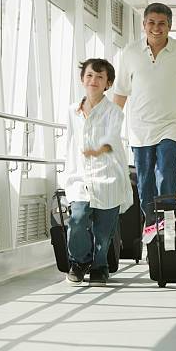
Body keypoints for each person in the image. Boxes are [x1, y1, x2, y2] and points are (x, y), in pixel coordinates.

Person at [113, 2, 176, 226]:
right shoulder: (130, 53)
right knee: (145, 182)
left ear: (170, 26)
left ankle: (170, 220)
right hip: (139, 131)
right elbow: (121, 92)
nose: (156, 27)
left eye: (162, 23)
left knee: (165, 170)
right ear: (144, 24)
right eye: (151, 22)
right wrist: (110, 127)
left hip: (170, 127)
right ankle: (152, 225)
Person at [62, 58, 133, 286]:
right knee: (78, 219)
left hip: (108, 177)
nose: (94, 80)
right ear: (82, 79)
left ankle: (100, 265)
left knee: (104, 232)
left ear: (108, 84)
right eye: (90, 75)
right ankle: (79, 262)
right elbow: (68, 143)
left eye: (100, 77)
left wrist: (98, 149)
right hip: (80, 177)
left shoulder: (114, 112)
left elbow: (111, 139)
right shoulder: (72, 111)